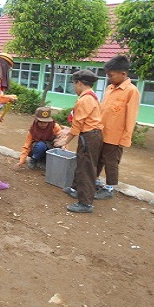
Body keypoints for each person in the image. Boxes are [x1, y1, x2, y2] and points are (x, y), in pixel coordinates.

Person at [55, 70, 103, 213]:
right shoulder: (92, 97)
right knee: (82, 162)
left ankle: (85, 203)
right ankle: (76, 189)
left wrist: (65, 140)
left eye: (74, 84)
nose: (74, 88)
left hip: (89, 136)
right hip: (91, 135)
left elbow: (78, 124)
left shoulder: (84, 100)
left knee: (86, 168)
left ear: (79, 83)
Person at [95, 55, 140, 200]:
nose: (109, 78)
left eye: (111, 75)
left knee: (111, 162)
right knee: (98, 159)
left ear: (123, 74)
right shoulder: (109, 88)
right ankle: (94, 181)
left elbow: (131, 117)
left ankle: (109, 188)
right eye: (108, 75)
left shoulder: (131, 91)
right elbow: (103, 109)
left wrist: (125, 138)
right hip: (102, 131)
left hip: (116, 136)